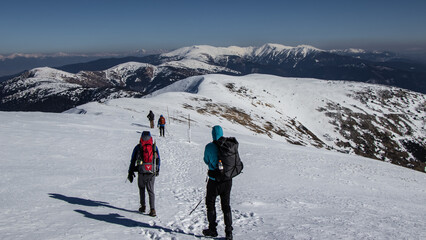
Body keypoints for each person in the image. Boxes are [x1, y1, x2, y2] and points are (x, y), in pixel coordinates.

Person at [203, 125, 233, 240]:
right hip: (227, 180)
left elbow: (206, 160)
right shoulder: (228, 145)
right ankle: (229, 232)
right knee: (226, 206)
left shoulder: (209, 146)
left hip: (214, 181)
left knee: (210, 203)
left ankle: (212, 229)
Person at [128, 131, 160, 217]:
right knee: (151, 191)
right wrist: (157, 170)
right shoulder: (154, 147)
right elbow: (158, 159)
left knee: (141, 188)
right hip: (151, 172)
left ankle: (143, 206)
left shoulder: (138, 147)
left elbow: (133, 160)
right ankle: (152, 209)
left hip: (141, 171)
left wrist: (130, 171)